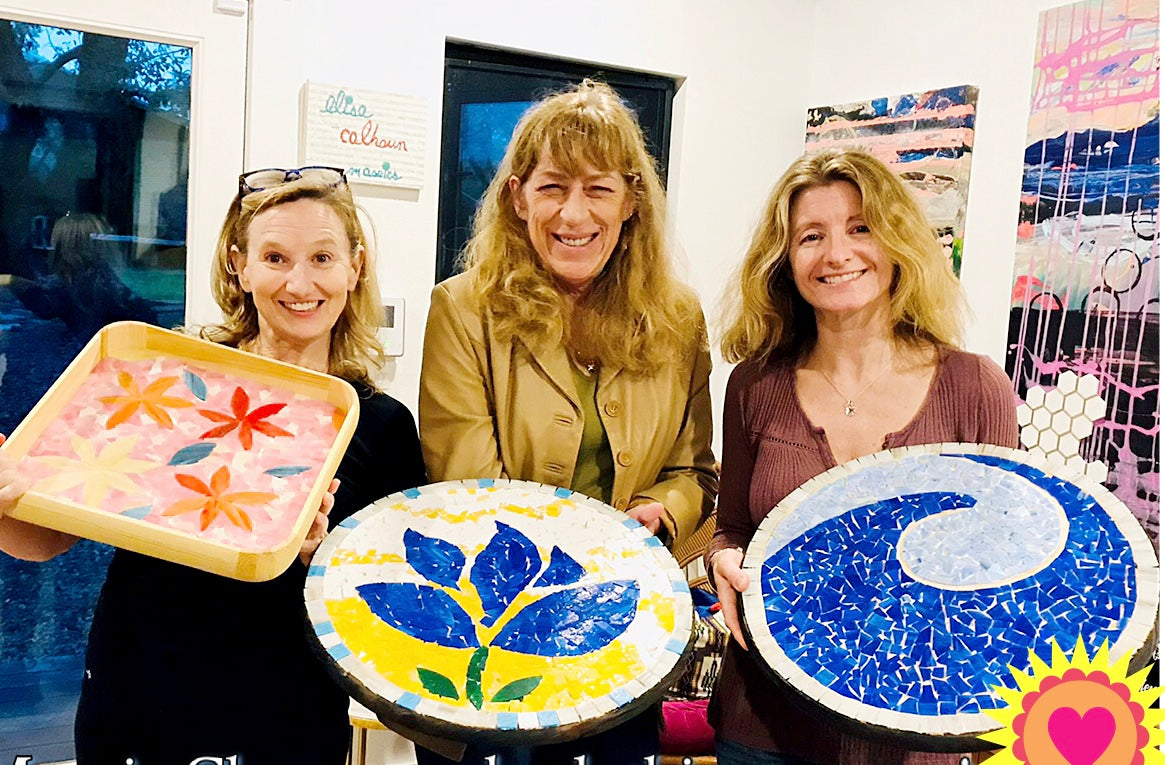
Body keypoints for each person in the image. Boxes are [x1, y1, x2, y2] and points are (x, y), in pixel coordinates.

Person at [0, 166, 427, 765]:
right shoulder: (170, 379)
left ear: (354, 268)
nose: (299, 282)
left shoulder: (380, 425)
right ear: (239, 265)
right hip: (139, 687)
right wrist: (6, 497)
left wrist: (322, 559)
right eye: (275, 257)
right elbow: (46, 537)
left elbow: (391, 605)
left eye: (322, 258)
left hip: (287, 708)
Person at [418, 80, 718, 765]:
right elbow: (469, 488)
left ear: (631, 200)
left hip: (621, 634)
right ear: (517, 197)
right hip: (490, 631)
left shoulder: (678, 317)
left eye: (598, 189)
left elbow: (694, 470)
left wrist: (663, 510)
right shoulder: (463, 310)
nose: (573, 213)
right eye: (552, 187)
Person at [706, 148, 1019, 765]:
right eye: (811, 236)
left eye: (860, 228)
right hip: (765, 725)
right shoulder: (754, 385)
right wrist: (725, 560)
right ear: (784, 259)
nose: (837, 254)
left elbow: (1005, 565)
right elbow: (733, 526)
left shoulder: (973, 387)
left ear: (898, 243)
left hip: (918, 731)